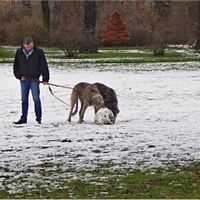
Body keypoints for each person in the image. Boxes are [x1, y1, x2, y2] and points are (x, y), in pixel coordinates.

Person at [13, 36, 50, 124]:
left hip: (34, 80)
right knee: (24, 100)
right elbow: (16, 66)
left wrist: (45, 78)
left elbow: (43, 65)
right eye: (27, 46)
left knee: (36, 99)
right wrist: (19, 76)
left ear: (32, 43)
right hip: (24, 79)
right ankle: (23, 118)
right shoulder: (19, 52)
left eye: (30, 46)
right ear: (24, 45)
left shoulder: (39, 52)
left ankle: (38, 118)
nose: (28, 48)